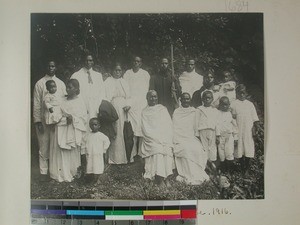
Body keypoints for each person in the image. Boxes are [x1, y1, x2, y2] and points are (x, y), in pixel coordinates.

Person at [33, 61, 66, 181]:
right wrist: (37, 121)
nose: (51, 68)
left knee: (56, 145)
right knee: (44, 145)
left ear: (56, 67)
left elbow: (64, 102)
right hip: (43, 120)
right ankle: (43, 172)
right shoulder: (40, 83)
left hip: (57, 120)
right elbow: (37, 104)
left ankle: (55, 171)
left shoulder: (61, 84)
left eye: (53, 66)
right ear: (46, 67)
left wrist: (63, 117)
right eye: (49, 66)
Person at [49, 79, 87, 182]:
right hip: (61, 127)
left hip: (72, 129)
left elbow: (83, 118)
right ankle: (60, 173)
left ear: (76, 89)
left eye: (70, 87)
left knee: (70, 150)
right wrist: (63, 118)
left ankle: (72, 172)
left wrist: (73, 118)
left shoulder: (79, 101)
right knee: (60, 150)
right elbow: (56, 113)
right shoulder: (62, 100)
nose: (67, 89)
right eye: (67, 87)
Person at [173, 93, 209, 185]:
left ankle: (198, 174)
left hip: (191, 137)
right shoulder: (177, 112)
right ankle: (188, 174)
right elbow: (174, 127)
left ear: (190, 100)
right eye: (184, 99)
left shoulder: (194, 111)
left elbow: (196, 126)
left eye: (187, 99)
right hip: (180, 137)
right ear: (180, 100)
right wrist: (177, 139)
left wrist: (195, 137)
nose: (186, 101)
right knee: (186, 149)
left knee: (197, 148)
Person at [140, 90, 173, 188]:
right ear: (147, 99)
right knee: (157, 150)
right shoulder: (144, 112)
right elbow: (145, 129)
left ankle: (166, 178)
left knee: (166, 150)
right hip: (151, 139)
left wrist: (164, 138)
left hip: (163, 137)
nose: (153, 99)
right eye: (151, 97)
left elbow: (168, 125)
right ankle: (160, 180)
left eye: (155, 96)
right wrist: (156, 138)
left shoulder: (162, 109)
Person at [104, 63, 132, 164]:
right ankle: (113, 157)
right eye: (116, 70)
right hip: (113, 106)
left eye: (119, 70)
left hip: (123, 108)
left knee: (122, 130)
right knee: (114, 129)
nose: (117, 72)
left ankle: (124, 157)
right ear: (112, 71)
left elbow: (128, 96)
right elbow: (106, 96)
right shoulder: (108, 81)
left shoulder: (124, 82)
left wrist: (128, 105)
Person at [123, 56, 150, 156]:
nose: (136, 63)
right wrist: (127, 103)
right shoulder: (127, 73)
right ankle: (132, 153)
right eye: (134, 61)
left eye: (138, 61)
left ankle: (141, 151)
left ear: (141, 63)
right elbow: (126, 89)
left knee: (141, 127)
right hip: (131, 104)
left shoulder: (145, 74)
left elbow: (147, 89)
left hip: (142, 104)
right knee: (132, 128)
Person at [231, 84, 259, 176]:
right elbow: (232, 117)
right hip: (238, 129)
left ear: (246, 93)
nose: (242, 95)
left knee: (248, 147)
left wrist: (256, 128)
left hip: (248, 130)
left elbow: (255, 118)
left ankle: (246, 168)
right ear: (236, 93)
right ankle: (241, 166)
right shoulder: (234, 104)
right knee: (239, 148)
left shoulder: (250, 104)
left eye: (243, 93)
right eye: (239, 93)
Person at [70, 54, 106, 119]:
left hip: (95, 107)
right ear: (83, 61)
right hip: (81, 106)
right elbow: (72, 92)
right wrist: (82, 105)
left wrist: (99, 106)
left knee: (93, 125)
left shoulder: (98, 76)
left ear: (93, 62)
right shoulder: (76, 75)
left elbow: (102, 92)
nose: (88, 62)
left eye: (90, 60)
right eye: (86, 60)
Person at [216, 96, 238, 173]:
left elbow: (235, 126)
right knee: (221, 153)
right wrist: (217, 135)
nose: (224, 106)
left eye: (226, 104)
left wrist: (235, 137)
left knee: (229, 151)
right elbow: (217, 125)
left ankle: (230, 170)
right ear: (220, 105)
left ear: (229, 105)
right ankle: (223, 169)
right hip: (221, 136)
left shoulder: (230, 114)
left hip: (229, 136)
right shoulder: (217, 113)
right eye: (222, 104)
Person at [85, 118, 110, 184]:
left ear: (99, 125)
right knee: (90, 165)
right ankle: (91, 178)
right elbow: (84, 143)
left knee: (98, 166)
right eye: (92, 125)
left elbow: (107, 142)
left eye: (95, 125)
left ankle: (98, 179)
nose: (93, 126)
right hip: (90, 153)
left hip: (98, 154)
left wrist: (103, 150)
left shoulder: (101, 135)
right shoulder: (87, 135)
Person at [196, 91, 218, 163]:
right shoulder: (199, 109)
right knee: (204, 147)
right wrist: (197, 134)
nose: (207, 99)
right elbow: (196, 122)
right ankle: (205, 165)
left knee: (212, 147)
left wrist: (218, 134)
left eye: (209, 98)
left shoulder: (214, 110)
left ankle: (212, 164)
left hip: (212, 131)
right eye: (205, 98)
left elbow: (217, 123)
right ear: (202, 99)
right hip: (202, 130)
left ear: (212, 99)